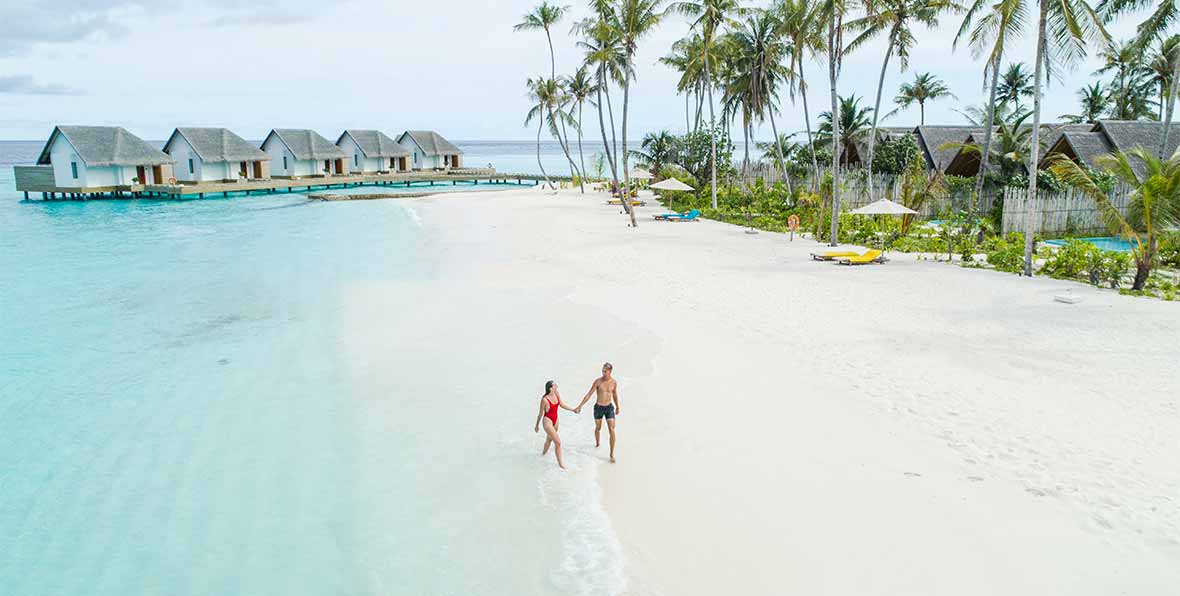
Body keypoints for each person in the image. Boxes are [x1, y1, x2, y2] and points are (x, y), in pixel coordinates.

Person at [575, 362, 620, 462]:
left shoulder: (614, 382)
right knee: (598, 428)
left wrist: (617, 406)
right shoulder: (598, 382)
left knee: (612, 429)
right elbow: (589, 395)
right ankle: (597, 444)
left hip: (609, 408)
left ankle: (611, 454)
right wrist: (580, 406)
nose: (603, 373)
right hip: (598, 408)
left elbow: (615, 395)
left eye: (605, 371)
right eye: (602, 371)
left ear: (610, 371)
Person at [534, 380, 576, 469]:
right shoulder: (544, 399)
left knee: (549, 440)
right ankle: (561, 464)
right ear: (550, 388)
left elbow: (562, 404)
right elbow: (540, 413)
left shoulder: (557, 394)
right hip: (547, 421)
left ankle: (542, 455)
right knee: (558, 442)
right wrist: (537, 425)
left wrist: (573, 409)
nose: (556, 386)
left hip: (556, 421)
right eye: (554, 385)